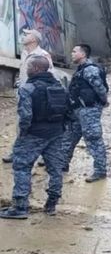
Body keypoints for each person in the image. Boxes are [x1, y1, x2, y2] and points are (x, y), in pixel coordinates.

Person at [0, 55, 68, 219]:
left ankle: (20, 207)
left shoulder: (27, 88)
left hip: (34, 134)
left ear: (36, 69)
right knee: (55, 169)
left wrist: (23, 134)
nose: (27, 69)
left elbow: (25, 116)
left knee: (22, 168)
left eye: (28, 67)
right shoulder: (60, 87)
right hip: (56, 133)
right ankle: (51, 205)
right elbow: (68, 111)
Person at [2, 29, 54, 164]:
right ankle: (17, 152)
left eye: (27, 34)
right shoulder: (25, 53)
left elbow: (51, 77)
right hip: (24, 96)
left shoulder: (43, 55)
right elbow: (23, 73)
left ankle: (45, 155)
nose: (23, 36)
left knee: (39, 125)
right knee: (21, 124)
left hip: (37, 98)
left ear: (34, 39)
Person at [62, 44, 108, 183]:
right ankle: (62, 165)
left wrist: (104, 102)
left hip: (89, 111)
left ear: (83, 54)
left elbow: (100, 89)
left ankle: (100, 171)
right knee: (68, 138)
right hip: (76, 111)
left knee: (93, 139)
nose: (72, 53)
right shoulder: (80, 70)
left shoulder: (90, 70)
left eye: (74, 51)